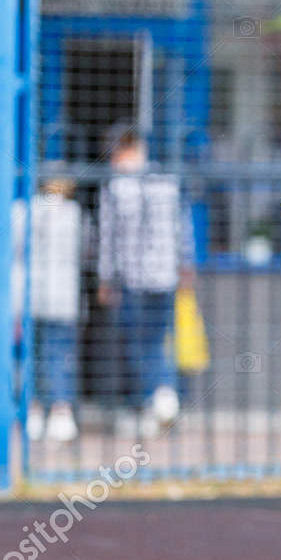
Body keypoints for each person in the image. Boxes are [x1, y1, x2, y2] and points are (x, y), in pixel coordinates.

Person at [97, 127, 194, 434]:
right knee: (159, 338)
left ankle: (160, 395)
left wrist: (105, 277)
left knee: (139, 343)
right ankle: (161, 398)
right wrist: (185, 265)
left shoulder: (115, 187)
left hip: (134, 277)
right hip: (165, 274)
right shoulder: (166, 182)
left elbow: (107, 238)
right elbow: (183, 228)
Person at [13, 179, 90, 443]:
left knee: (30, 355)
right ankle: (61, 413)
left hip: (31, 295)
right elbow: (86, 250)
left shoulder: (23, 211)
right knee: (60, 355)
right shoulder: (75, 214)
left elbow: (12, 250)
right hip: (64, 297)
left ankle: (31, 410)